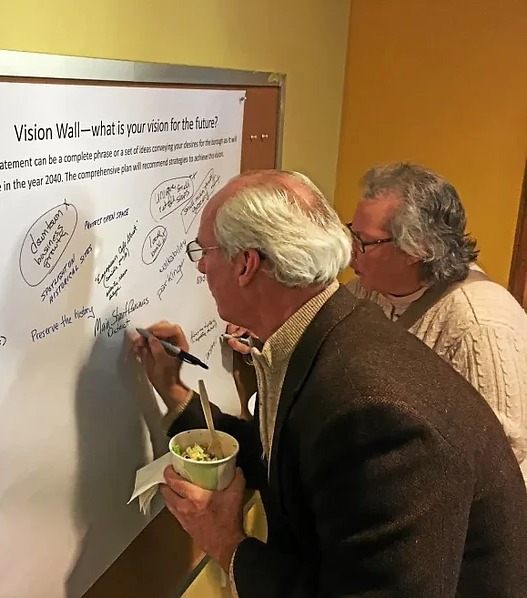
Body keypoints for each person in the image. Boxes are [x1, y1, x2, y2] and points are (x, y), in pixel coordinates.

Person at [131, 170, 527, 597]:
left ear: (246, 264)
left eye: (205, 251)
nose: (201, 265)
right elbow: (290, 459)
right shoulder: (329, 330)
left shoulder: (372, 411)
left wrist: (228, 545)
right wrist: (174, 393)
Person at [345, 162, 527, 483]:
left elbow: (503, 458)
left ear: (417, 249)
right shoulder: (367, 290)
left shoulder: (479, 324)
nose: (350, 253)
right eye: (351, 234)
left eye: (365, 242)